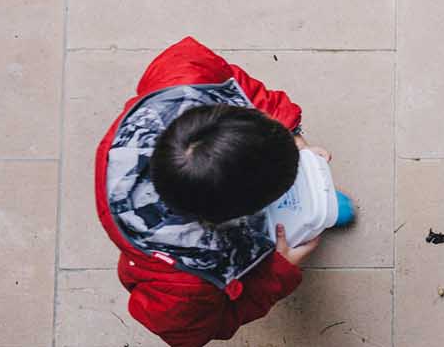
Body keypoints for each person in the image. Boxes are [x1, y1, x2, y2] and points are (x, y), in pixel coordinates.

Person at [93, 36, 348, 347]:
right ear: (239, 219)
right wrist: (274, 275)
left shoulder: (186, 80)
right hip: (157, 258)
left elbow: (235, 83)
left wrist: (289, 132)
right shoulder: (179, 288)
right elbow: (194, 332)